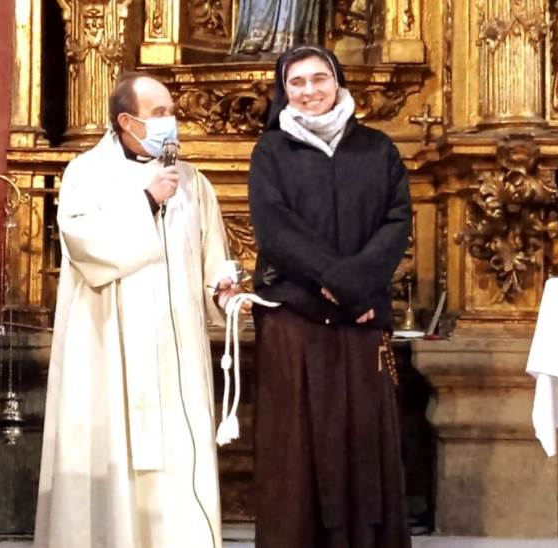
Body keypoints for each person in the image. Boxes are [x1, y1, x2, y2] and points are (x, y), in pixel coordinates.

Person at [35, 73, 240, 548]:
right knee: (112, 454)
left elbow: (211, 255)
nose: (172, 122)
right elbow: (84, 244)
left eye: (172, 112)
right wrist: (147, 200)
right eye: (159, 113)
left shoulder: (192, 181)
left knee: (178, 461)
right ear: (126, 121)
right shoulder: (86, 173)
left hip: (175, 353)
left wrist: (222, 289)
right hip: (109, 344)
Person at [248, 44, 412, 548]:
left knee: (363, 441)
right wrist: (343, 285)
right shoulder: (271, 152)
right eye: (296, 82)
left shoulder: (377, 148)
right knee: (297, 447)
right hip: (297, 318)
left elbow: (396, 222)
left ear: (337, 83)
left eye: (319, 79)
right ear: (284, 92)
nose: (309, 91)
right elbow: (275, 230)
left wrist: (354, 285)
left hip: (361, 318)